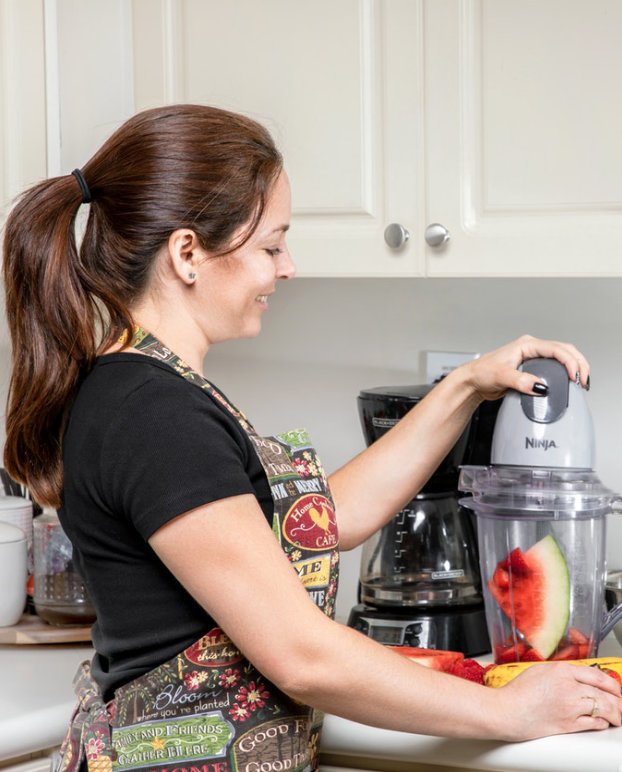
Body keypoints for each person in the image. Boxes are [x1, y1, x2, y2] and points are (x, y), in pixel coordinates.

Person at [2, 104, 620, 772]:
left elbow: (323, 519)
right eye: (271, 246)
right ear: (187, 254)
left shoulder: (153, 392)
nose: (288, 267)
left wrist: (466, 386)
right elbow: (301, 655)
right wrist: (510, 710)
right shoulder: (153, 414)